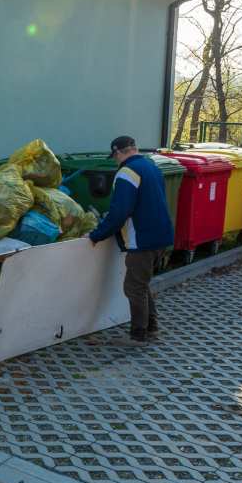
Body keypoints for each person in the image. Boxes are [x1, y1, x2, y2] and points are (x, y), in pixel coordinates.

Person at [88, 136, 174, 342]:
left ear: (118, 152)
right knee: (142, 284)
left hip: (141, 238)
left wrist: (97, 235)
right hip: (161, 235)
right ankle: (151, 326)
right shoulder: (152, 166)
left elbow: (120, 212)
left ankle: (139, 334)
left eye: (114, 157)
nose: (115, 161)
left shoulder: (127, 172)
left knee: (133, 287)